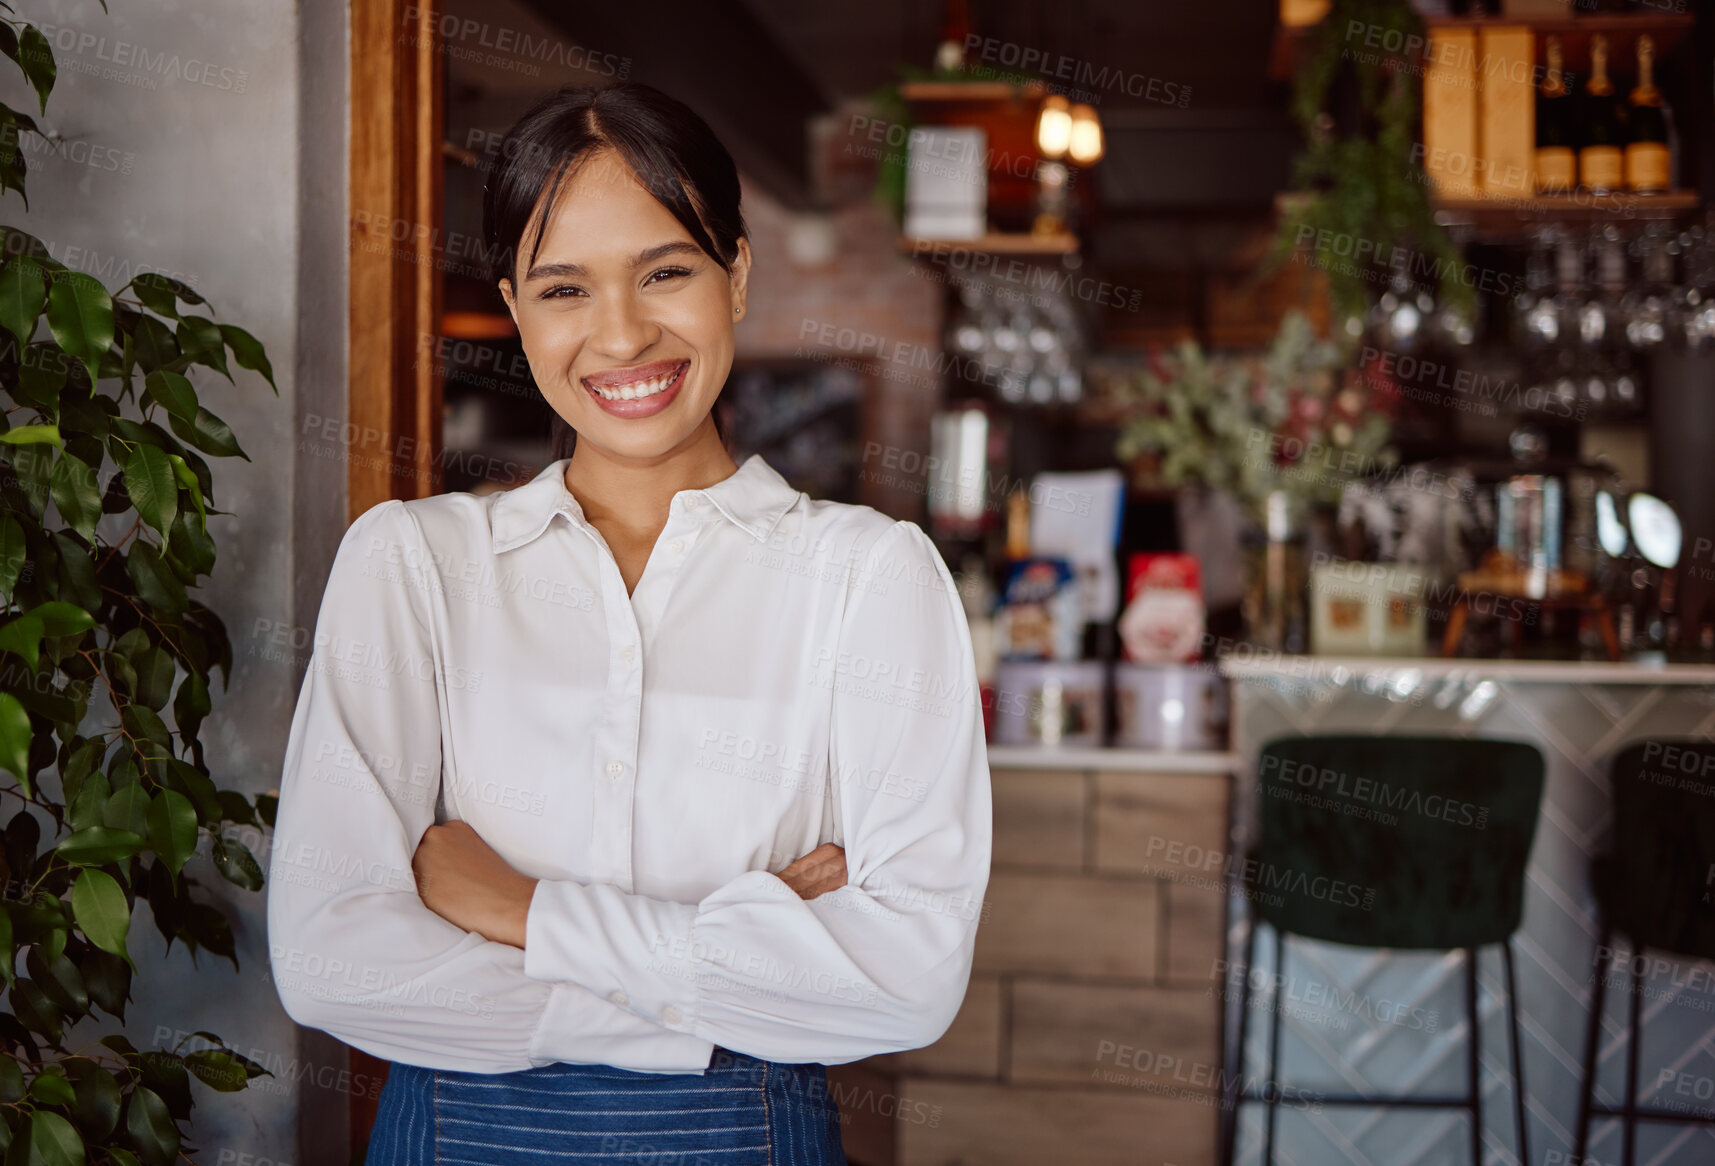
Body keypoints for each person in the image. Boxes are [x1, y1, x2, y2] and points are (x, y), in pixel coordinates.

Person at [265, 80, 992, 1164]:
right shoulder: (413, 565)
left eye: (664, 271)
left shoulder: (870, 578)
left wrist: (520, 910)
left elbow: (905, 980)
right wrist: (727, 946)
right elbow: (331, 958)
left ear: (735, 273)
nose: (621, 334)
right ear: (513, 307)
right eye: (564, 288)